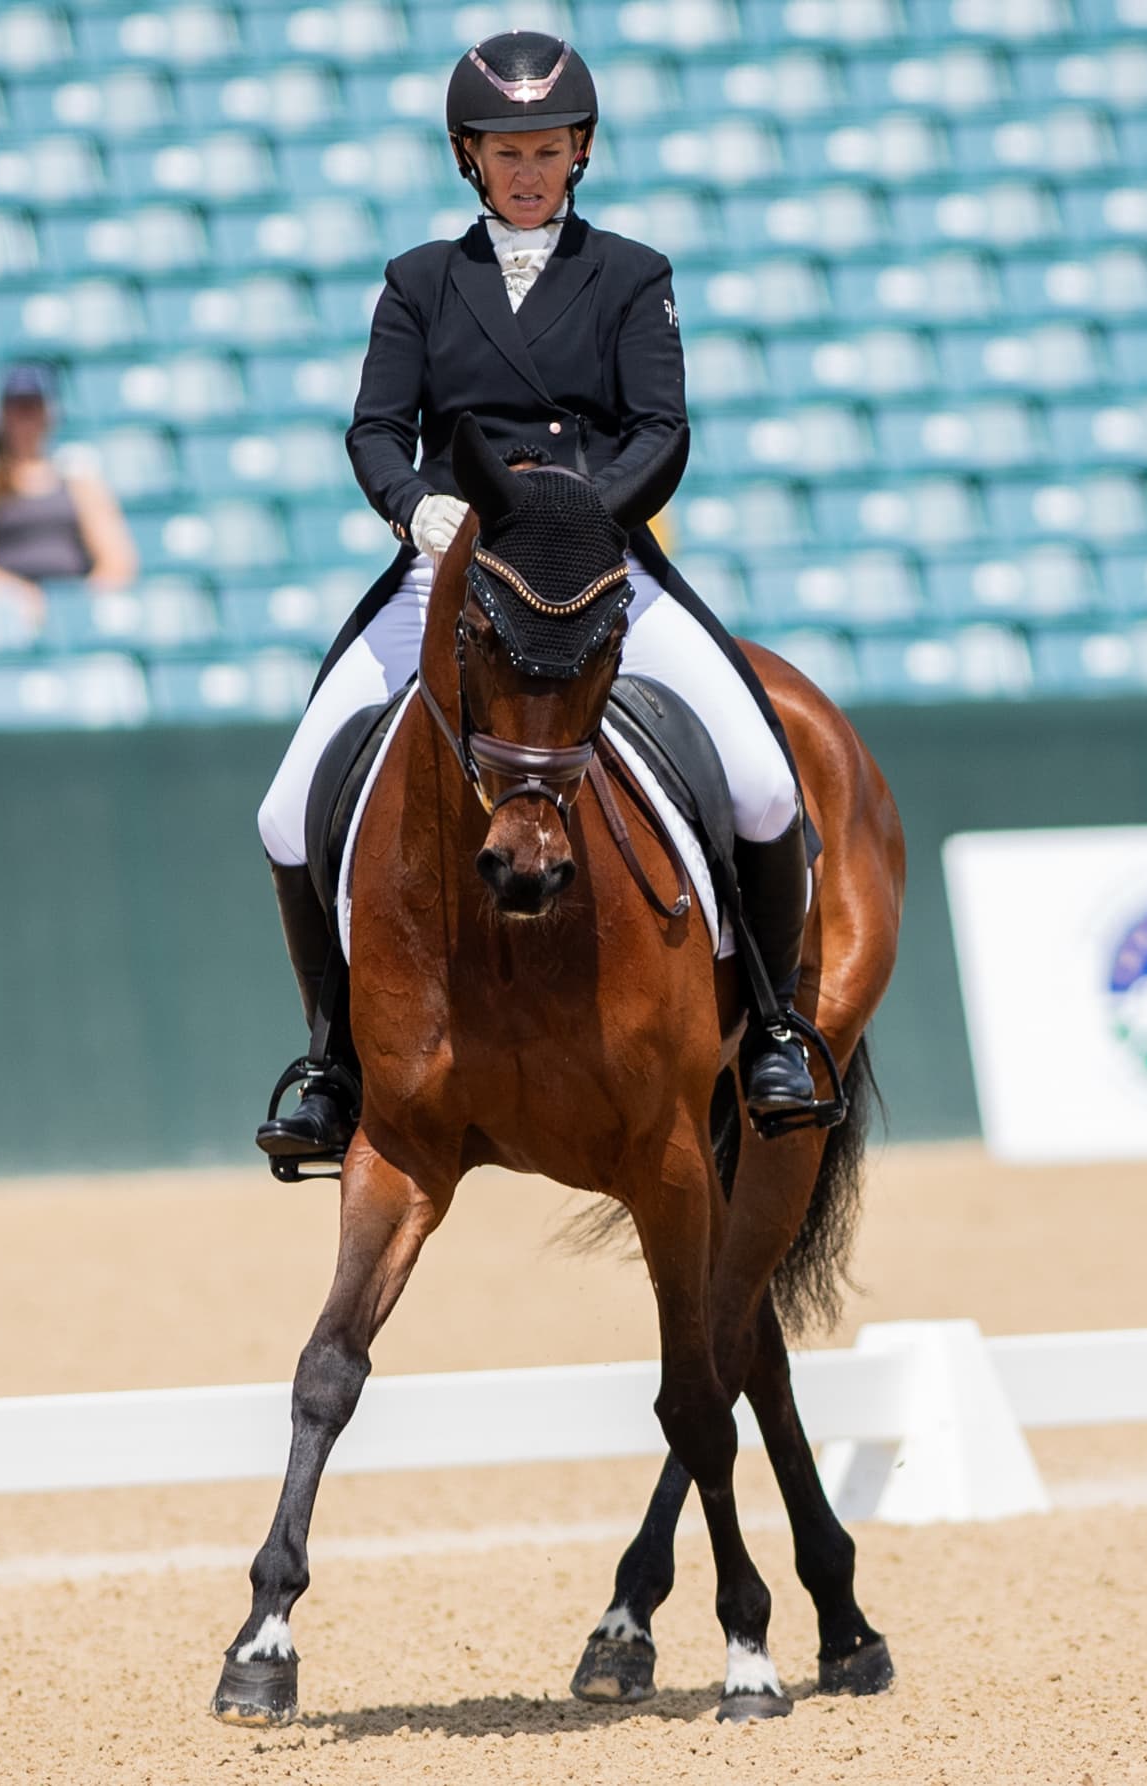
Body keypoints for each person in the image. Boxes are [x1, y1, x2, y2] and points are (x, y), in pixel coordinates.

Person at [252, 31, 823, 1171]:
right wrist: (419, 510)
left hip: (598, 561)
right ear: (470, 157)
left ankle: (770, 1029)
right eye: (507, 150)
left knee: (762, 782)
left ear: (580, 153)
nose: (528, 169)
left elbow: (662, 428)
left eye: (549, 149)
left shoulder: (631, 274)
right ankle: (332, 1059)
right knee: (281, 809)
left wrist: (582, 517)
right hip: (453, 568)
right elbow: (376, 429)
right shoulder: (421, 280)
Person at [0, 363, 138, 611]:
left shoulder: (78, 482)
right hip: (3, 611)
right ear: (2, 416)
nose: (26, 420)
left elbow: (118, 561)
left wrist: (79, 603)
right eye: (18, 409)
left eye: (33, 408)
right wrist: (15, 593)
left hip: (72, 605)